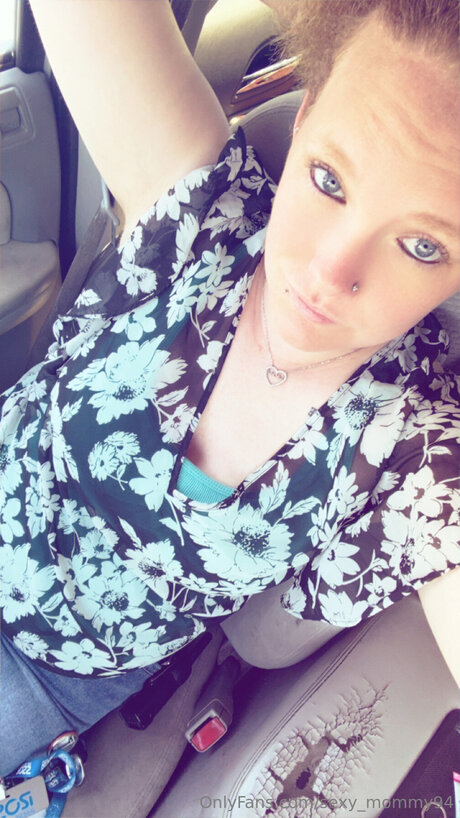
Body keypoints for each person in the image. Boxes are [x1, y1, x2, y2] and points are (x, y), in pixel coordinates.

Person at [1, 0, 459, 787]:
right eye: (328, 178)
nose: (328, 272)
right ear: (305, 118)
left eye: (422, 244)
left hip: (50, 674)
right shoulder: (201, 214)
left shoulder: (416, 452)